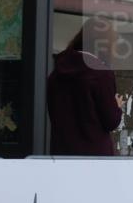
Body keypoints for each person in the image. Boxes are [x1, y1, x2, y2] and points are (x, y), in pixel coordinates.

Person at [47, 18, 124, 156]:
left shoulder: (57, 72)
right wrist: (116, 107)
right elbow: (111, 121)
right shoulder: (101, 74)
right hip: (94, 157)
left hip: (61, 154)